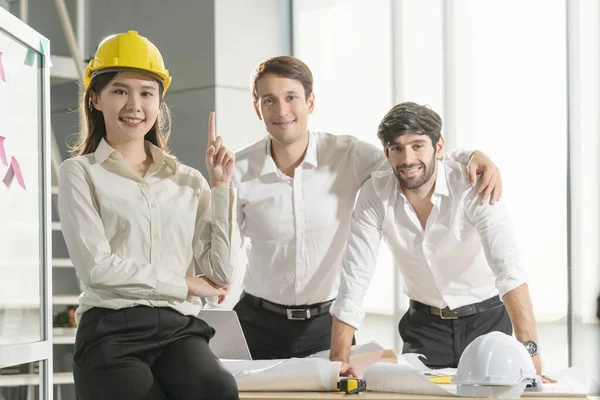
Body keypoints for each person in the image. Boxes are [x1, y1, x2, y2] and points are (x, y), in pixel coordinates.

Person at [228, 56, 503, 360]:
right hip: (255, 322)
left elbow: (410, 160)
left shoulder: (349, 154)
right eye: (269, 100)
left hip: (324, 324)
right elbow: (223, 252)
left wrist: (470, 155)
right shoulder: (237, 168)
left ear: (310, 102)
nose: (281, 111)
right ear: (257, 107)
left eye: (291, 97)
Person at [58, 30, 240, 400]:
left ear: (159, 102)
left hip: (179, 331)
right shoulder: (80, 172)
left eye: (146, 92)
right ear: (95, 98)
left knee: (219, 390)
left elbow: (220, 274)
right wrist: (184, 283)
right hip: (111, 329)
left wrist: (220, 187)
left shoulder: (189, 181)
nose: (134, 105)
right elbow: (97, 267)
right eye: (120, 91)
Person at [329, 102, 549, 380]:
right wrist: (338, 360)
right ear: (386, 153)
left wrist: (530, 353)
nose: (407, 159)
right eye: (397, 148)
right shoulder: (375, 194)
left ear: (439, 146)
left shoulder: (473, 184)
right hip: (423, 328)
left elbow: (509, 270)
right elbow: (355, 278)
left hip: (487, 322)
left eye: (418, 145)